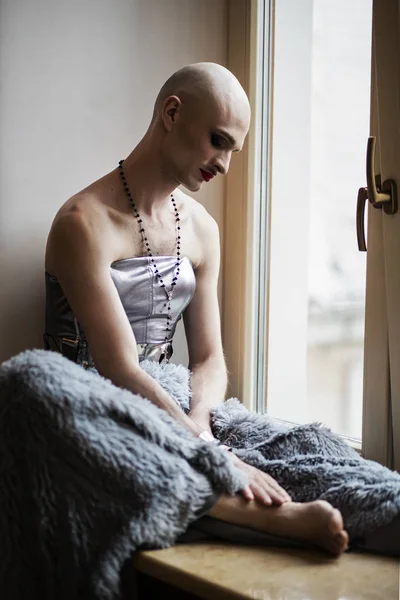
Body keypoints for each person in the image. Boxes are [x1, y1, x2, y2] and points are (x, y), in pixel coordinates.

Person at [44, 62, 349, 557]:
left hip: (173, 399)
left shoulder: (202, 228)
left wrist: (201, 419)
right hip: (90, 405)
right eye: (218, 141)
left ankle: (372, 505)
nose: (225, 165)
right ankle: (275, 521)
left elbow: (209, 358)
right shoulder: (82, 222)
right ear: (171, 113)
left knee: (295, 444)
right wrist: (207, 450)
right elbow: (117, 367)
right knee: (64, 415)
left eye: (233, 150)